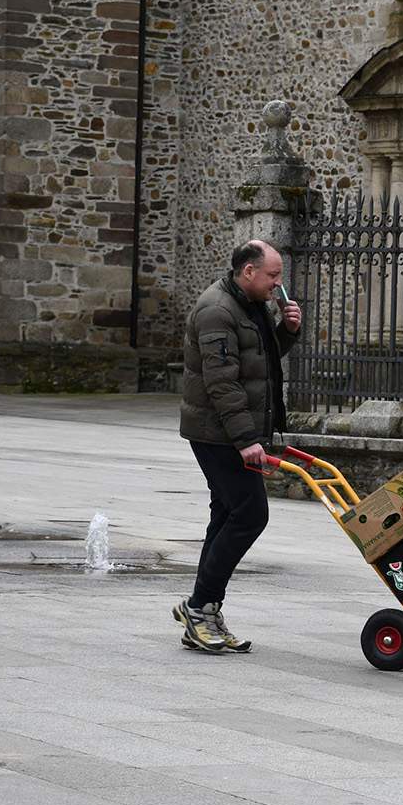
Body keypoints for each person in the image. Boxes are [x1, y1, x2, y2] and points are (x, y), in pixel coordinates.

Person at [173, 239, 301, 654]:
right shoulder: (217, 310)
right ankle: (199, 608)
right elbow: (222, 382)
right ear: (248, 271)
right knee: (250, 514)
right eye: (273, 275)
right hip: (217, 433)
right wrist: (246, 440)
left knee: (228, 514)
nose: (278, 283)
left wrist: (286, 331)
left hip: (231, 430)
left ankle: (203, 610)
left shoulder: (250, 305)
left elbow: (258, 363)